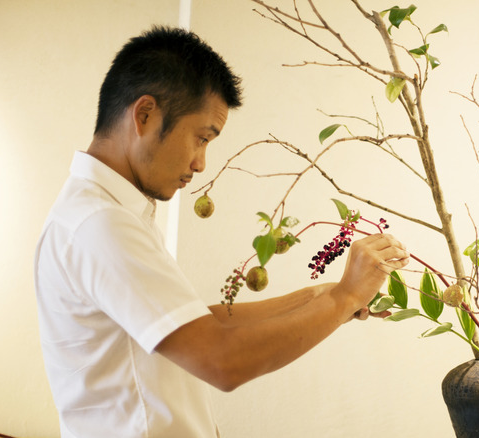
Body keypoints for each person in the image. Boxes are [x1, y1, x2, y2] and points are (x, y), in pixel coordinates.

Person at [34, 26, 409, 438]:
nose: (200, 164)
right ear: (144, 115)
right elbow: (220, 360)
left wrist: (317, 296)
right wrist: (345, 297)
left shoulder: (108, 214)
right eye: (202, 138)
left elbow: (194, 326)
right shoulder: (100, 224)